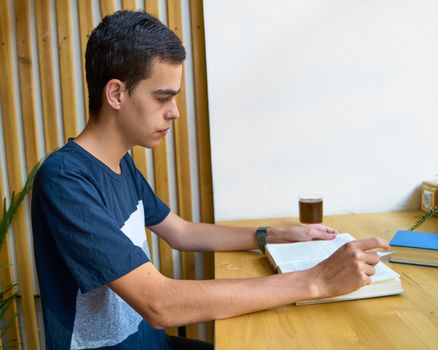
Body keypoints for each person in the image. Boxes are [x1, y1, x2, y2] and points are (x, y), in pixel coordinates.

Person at [31, 10, 389, 350]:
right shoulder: (65, 180)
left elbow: (182, 232)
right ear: (116, 94)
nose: (174, 112)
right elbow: (160, 304)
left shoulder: (121, 163)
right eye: (162, 98)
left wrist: (272, 235)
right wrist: (317, 279)